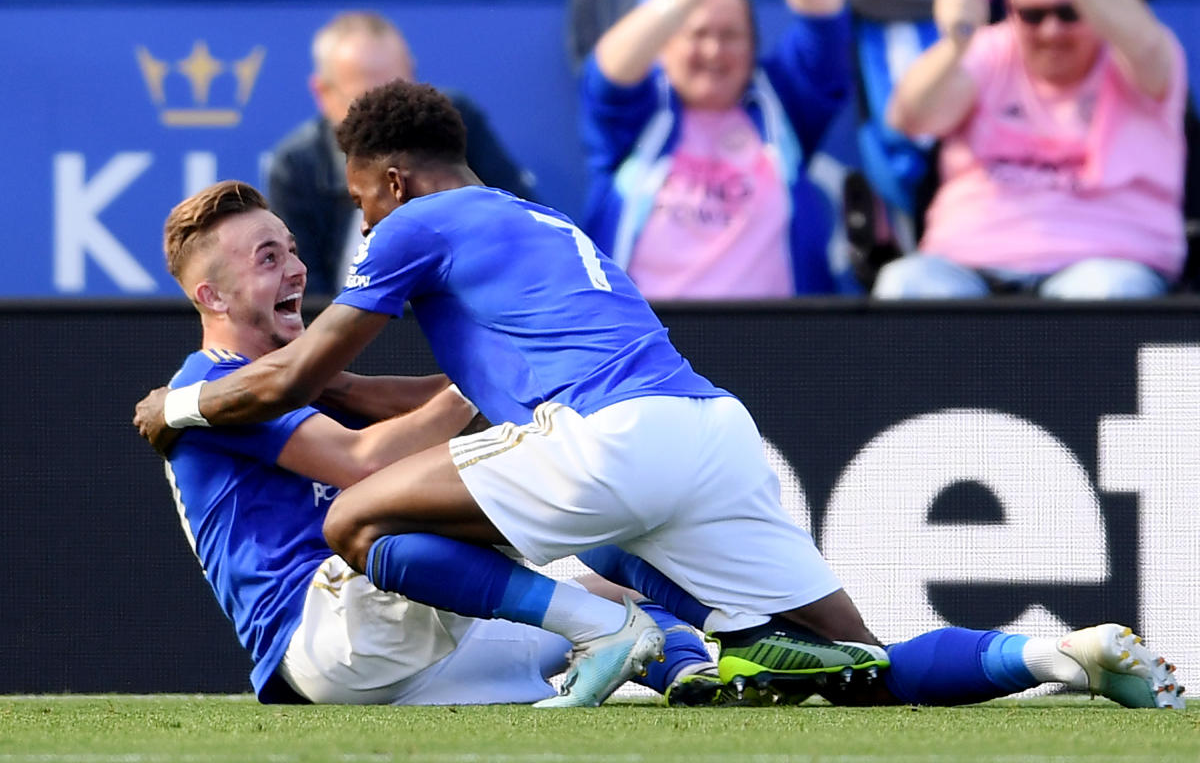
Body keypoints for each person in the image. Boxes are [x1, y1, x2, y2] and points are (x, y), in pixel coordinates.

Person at [135, 81, 1185, 710]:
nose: (356, 228)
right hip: (707, 425)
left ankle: (620, 634)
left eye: (358, 200)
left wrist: (173, 413)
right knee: (857, 658)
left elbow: (316, 401)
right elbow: (404, 386)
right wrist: (413, 388)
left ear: (392, 181)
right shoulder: (540, 222)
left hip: (599, 437)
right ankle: (1063, 650)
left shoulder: (411, 226)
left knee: (365, 519)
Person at [153, 179, 721, 707]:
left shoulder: (298, 377)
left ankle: (704, 659)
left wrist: (531, 372)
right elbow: (363, 459)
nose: (297, 269)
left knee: (597, 546)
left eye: (292, 249)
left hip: (402, 645)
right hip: (331, 631)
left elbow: (419, 398)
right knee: (475, 483)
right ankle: (611, 630)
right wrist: (489, 378)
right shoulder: (215, 384)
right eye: (267, 259)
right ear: (215, 297)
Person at [871, 0, 1188, 299]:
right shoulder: (990, 49)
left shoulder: (1136, 58)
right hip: (964, 265)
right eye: (1033, 15)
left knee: (1105, 295)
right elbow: (910, 118)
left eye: (1068, 12)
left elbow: (1147, 44)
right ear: (1011, 9)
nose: (1051, 31)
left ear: (1096, 5)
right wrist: (955, 43)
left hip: (1105, 263)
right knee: (904, 284)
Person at [577, 0, 858, 300]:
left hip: (774, 339)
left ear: (753, 49)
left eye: (730, 36)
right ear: (664, 47)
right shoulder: (640, 115)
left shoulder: (781, 104)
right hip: (646, 342)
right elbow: (608, 71)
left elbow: (827, 24)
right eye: (697, 34)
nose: (713, 51)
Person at [268, 11, 536, 297]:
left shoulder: (453, 124)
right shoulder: (296, 166)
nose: (390, 118)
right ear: (323, 94)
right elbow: (307, 298)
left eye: (402, 94)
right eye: (367, 102)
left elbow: (526, 229)